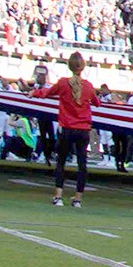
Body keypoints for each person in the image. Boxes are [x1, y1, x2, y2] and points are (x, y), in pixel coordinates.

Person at [39, 51, 100, 206]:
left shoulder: (63, 83)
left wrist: (34, 92)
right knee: (82, 163)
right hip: (83, 129)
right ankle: (78, 198)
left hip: (67, 127)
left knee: (61, 162)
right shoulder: (88, 85)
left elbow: (47, 93)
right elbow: (97, 103)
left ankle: (58, 195)